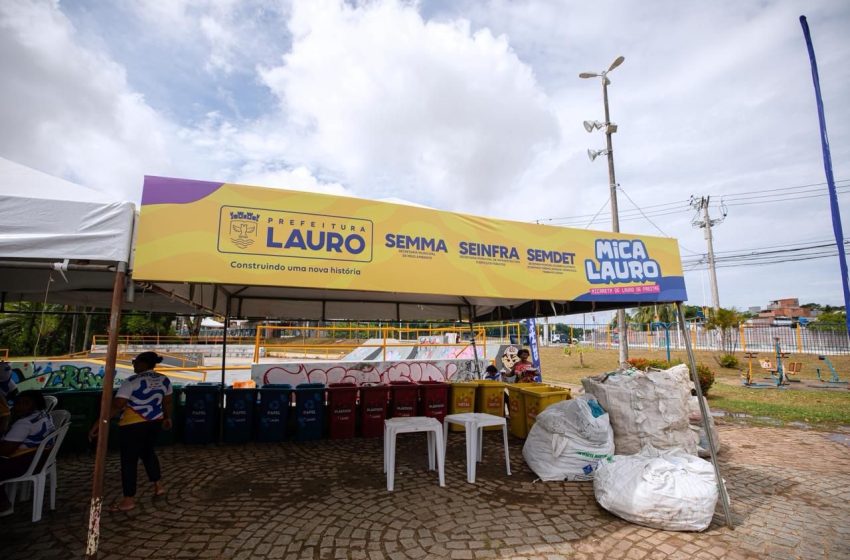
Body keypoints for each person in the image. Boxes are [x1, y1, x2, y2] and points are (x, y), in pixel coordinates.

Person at [90, 351, 172, 512]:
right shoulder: (164, 379)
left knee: (129, 460)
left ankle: (128, 499)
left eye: (135, 361)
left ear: (144, 364)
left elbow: (117, 405)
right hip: (154, 422)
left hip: (132, 424)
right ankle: (158, 485)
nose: (133, 364)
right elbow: (167, 402)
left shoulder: (131, 382)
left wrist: (99, 423)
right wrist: (168, 418)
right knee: (148, 452)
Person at [0, 390, 56, 515]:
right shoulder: (44, 415)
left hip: (26, 462)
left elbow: (5, 450)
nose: (19, 406)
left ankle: (3, 504)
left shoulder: (24, 424)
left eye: (25, 403)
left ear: (35, 405)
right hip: (41, 458)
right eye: (18, 403)